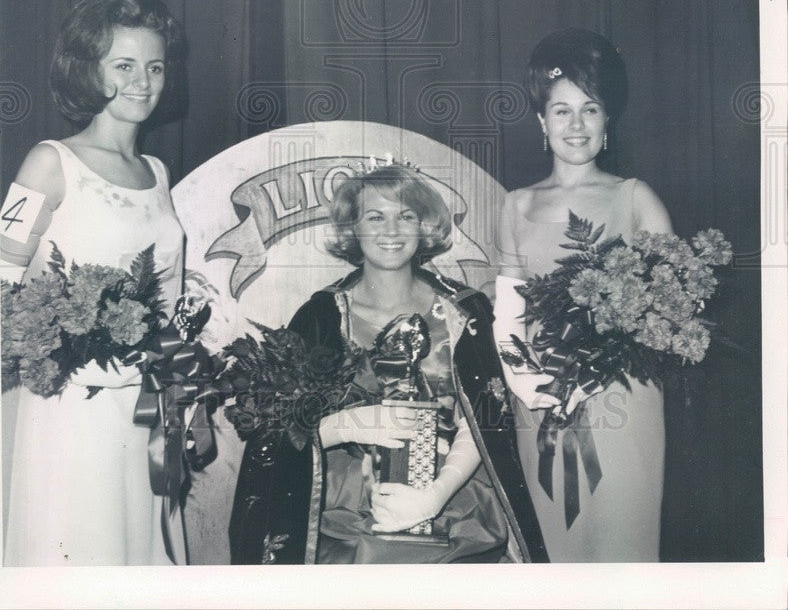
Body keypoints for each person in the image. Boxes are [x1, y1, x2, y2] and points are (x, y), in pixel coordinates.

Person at [229, 163, 548, 565]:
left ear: (423, 225)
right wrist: (349, 424)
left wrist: (434, 495)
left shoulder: (465, 310)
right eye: (375, 217)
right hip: (344, 511)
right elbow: (276, 436)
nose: (392, 230)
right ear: (353, 228)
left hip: (456, 499)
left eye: (406, 216)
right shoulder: (321, 315)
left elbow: (487, 418)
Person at [1, 0, 188, 566]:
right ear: (89, 72)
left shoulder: (156, 171)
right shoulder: (49, 162)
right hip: (71, 411)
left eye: (154, 67)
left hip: (148, 411)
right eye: (124, 66)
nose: (143, 82)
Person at [494, 28, 673, 562]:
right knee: (551, 549)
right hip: (541, 402)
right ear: (541, 123)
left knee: (621, 546)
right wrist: (532, 387)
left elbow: (671, 308)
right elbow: (508, 316)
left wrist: (593, 374)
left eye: (590, 110)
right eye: (562, 111)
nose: (576, 125)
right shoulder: (514, 205)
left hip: (621, 400)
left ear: (607, 122)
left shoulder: (635, 197)